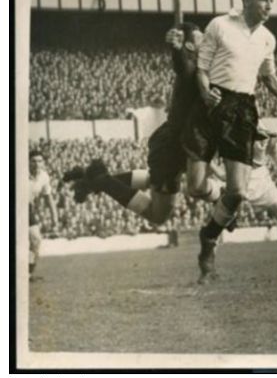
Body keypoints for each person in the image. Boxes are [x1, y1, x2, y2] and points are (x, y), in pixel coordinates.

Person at [182, 0, 277, 284]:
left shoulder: (268, 38)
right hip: (210, 105)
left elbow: (270, 79)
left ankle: (208, 239)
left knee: (237, 192)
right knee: (197, 187)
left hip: (242, 110)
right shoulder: (219, 25)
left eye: (272, 0)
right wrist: (204, 92)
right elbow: (201, 68)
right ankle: (216, 217)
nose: (269, 6)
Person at [64, 23, 213, 235]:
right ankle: (103, 180)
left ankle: (90, 181)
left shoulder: (202, 69)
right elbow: (182, 67)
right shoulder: (190, 67)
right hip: (171, 147)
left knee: (155, 180)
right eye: (201, 40)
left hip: (177, 140)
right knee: (158, 215)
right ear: (189, 46)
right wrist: (175, 50)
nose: (207, 42)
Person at [204, 122, 277, 279]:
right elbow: (209, 155)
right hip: (235, 176)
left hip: (261, 177)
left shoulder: (265, 129)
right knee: (220, 222)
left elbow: (274, 149)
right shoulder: (228, 128)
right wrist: (219, 173)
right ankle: (208, 267)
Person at [28, 150, 59, 280]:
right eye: (33, 161)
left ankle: (27, 273)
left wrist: (55, 219)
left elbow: (49, 198)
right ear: (28, 162)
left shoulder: (44, 176)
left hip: (27, 209)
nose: (36, 164)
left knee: (36, 240)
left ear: (43, 163)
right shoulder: (18, 172)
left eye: (39, 161)